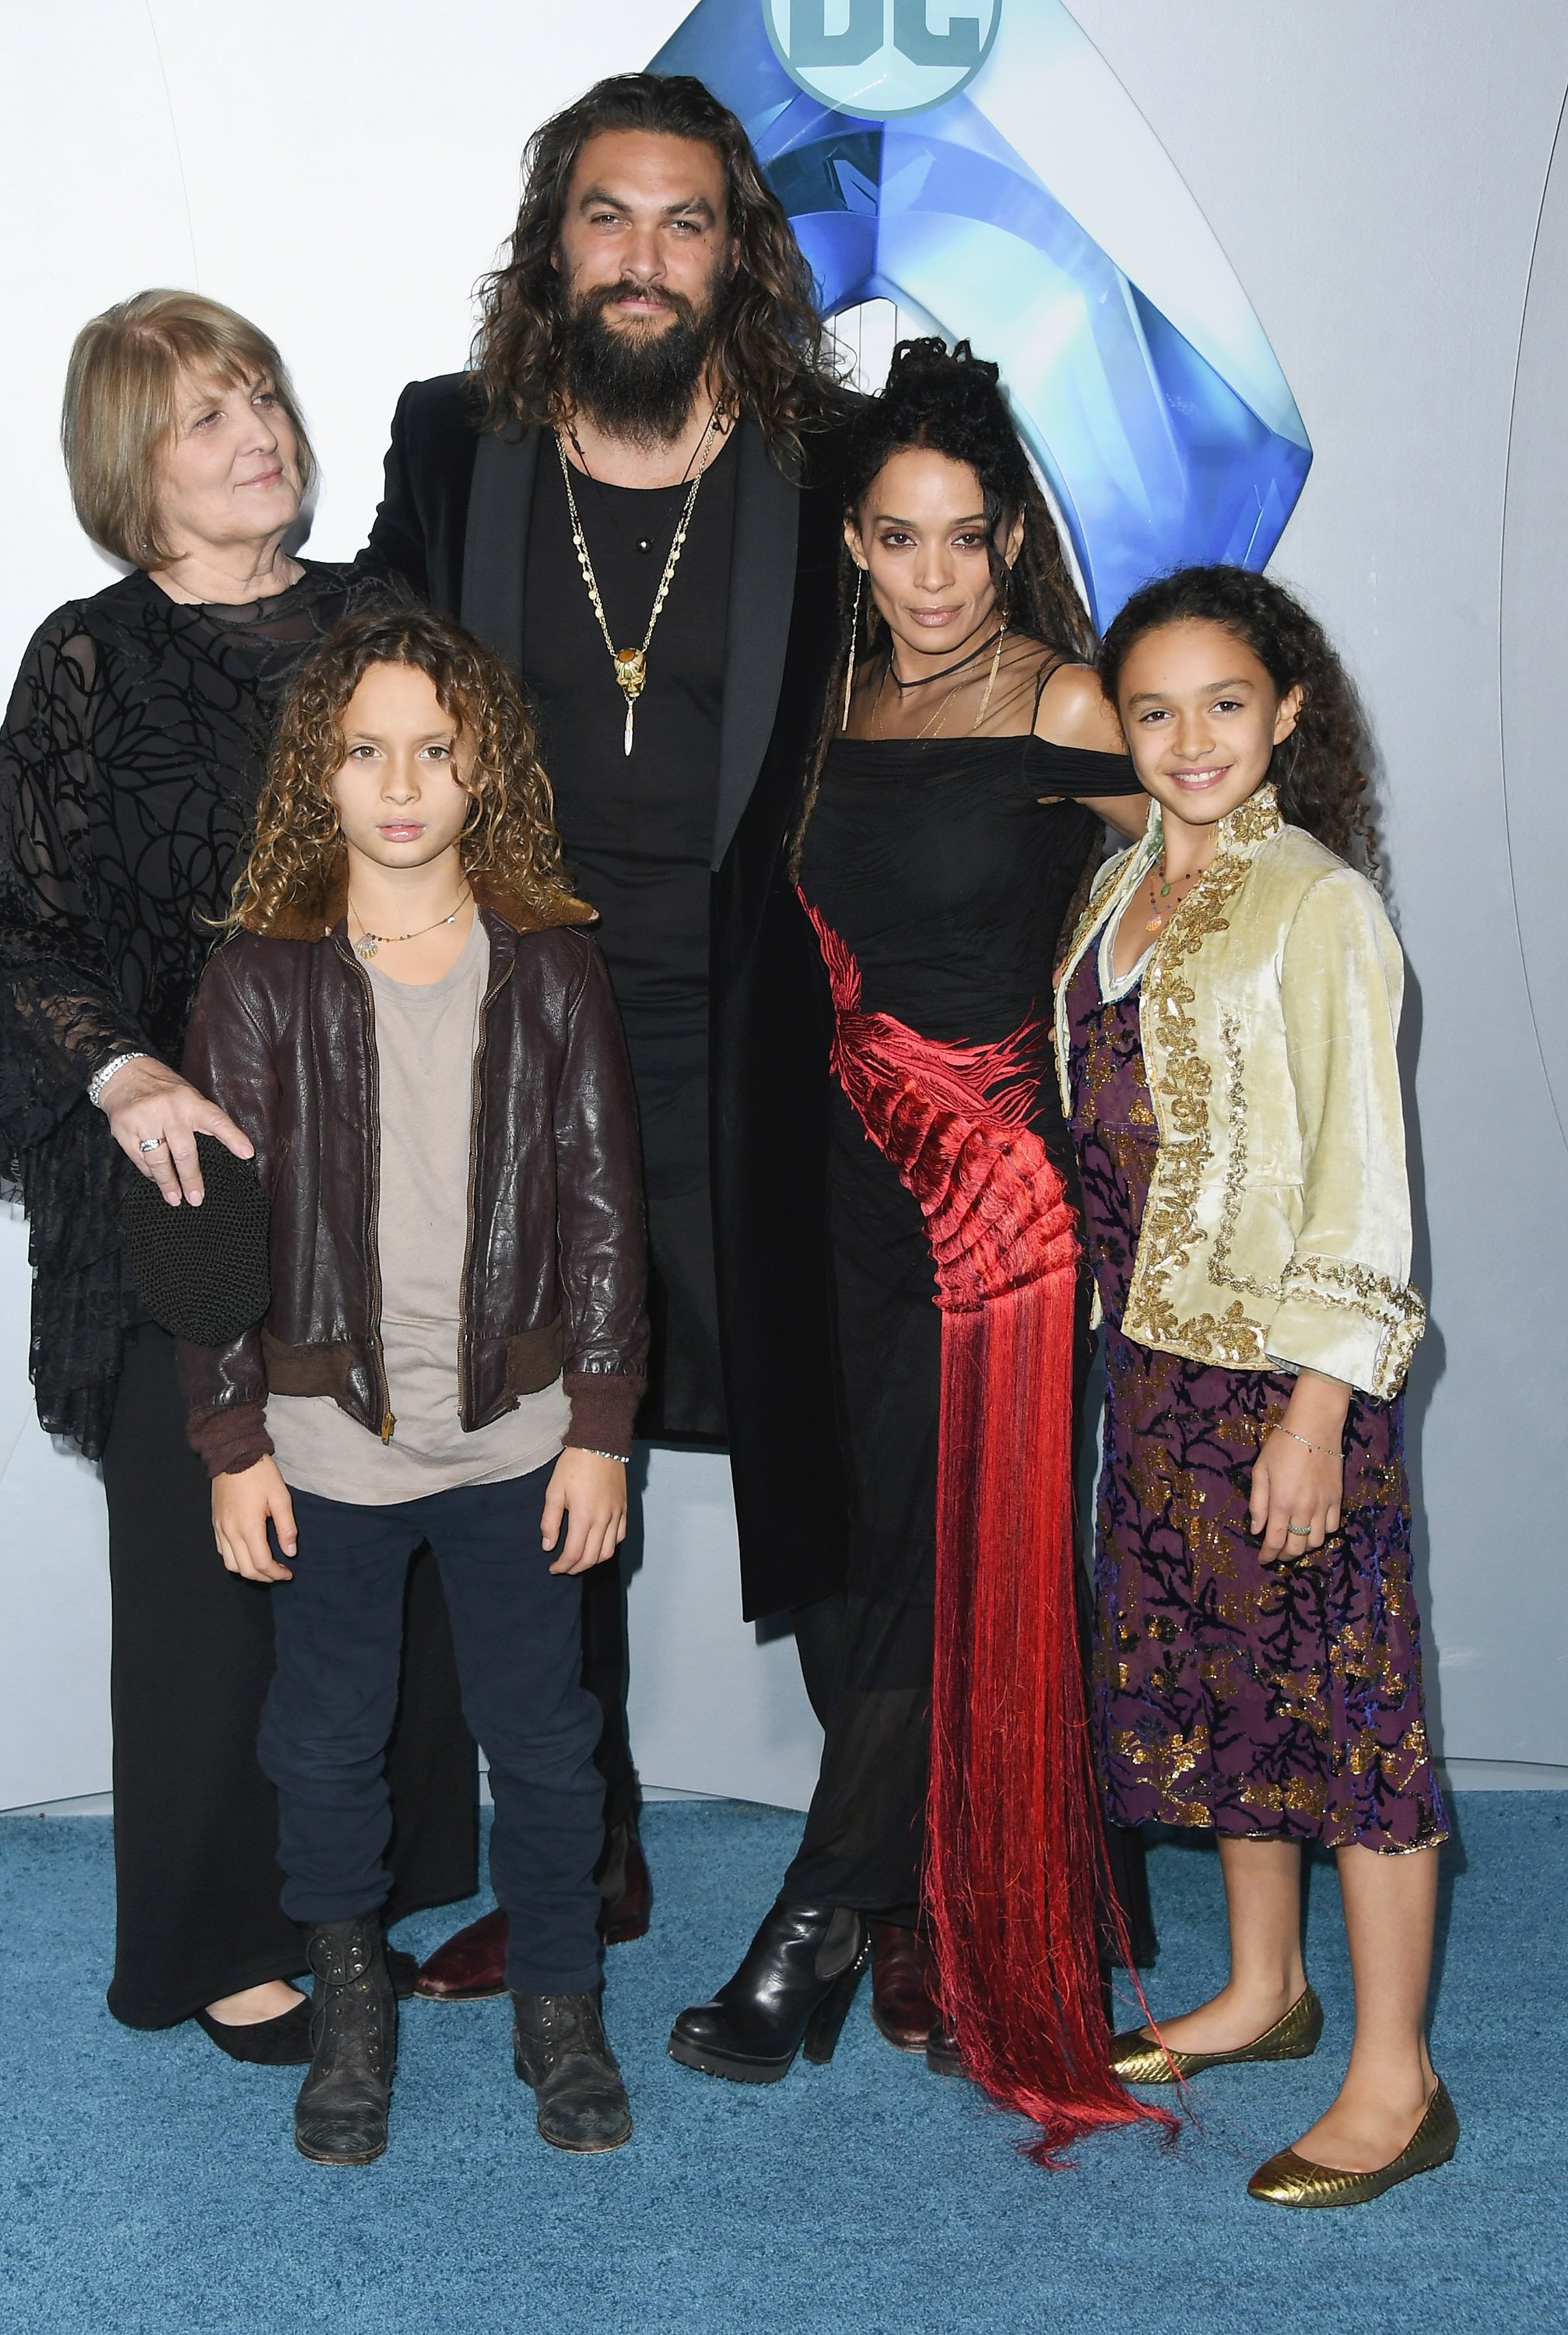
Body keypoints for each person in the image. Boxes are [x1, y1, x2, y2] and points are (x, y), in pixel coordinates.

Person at [367, 70, 857, 2000]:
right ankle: (586, 1866)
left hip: (779, 1053)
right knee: (535, 1483)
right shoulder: (454, 445)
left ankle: (868, 1879)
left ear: (734, 250)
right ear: (549, 241)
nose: (640, 260)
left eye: (682, 222)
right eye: (604, 217)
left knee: (832, 1481)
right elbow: (367, 723)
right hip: (519, 1055)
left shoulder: (830, 457)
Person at [669, 339, 1163, 2161]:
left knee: (951, 1566)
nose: (933, 575)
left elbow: (1222, 874)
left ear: (1013, 533)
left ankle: (814, 1919)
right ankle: (933, 1905)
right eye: (897, 537)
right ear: (856, 548)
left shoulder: (1070, 707)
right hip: (833, 1187)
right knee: (859, 1555)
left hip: (991, 1209)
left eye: (965, 536)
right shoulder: (827, 708)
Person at [0, 290, 476, 2058]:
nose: (253, 431)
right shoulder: (85, 661)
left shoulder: (381, 625)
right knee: (212, 1572)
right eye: (202, 416)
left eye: (259, 394)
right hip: (187, 1172)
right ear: (134, 464)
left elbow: (476, 851)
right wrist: (124, 1072)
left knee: (377, 1550)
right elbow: (27, 938)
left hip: (389, 1156)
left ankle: (352, 1897)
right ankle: (219, 1941)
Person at [177, 601, 648, 2165]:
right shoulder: (258, 979)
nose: (398, 785)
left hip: (516, 1436)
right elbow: (211, 1227)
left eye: (433, 754)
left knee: (545, 1735)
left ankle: (559, 2008)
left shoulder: (553, 964)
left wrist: (597, 1423)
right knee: (322, 1742)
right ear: (315, 776)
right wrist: (234, 1436)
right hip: (327, 1443)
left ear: (482, 772)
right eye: (364, 753)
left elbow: (601, 1206)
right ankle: (351, 2003)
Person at [1057, 565, 1450, 2206]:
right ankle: (1263, 1989)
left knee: (1349, 1720)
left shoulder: (1315, 904)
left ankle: (1393, 2075)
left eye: (1224, 702)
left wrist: (1312, 1407)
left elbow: (1363, 1178)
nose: (1188, 737)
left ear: (1286, 708)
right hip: (1151, 1369)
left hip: (1285, 1386)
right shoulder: (1115, 885)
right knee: (1222, 1695)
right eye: (1153, 710)